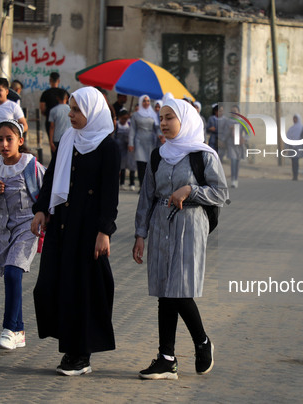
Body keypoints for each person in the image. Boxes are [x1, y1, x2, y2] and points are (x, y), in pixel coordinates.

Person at [133, 98, 228, 380]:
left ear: (184, 120)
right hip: (161, 224)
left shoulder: (203, 155)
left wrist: (190, 189)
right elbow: (146, 196)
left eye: (169, 118)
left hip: (190, 225)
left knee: (180, 290)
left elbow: (221, 193)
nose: (162, 123)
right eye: (161, 118)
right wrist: (140, 234)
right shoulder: (158, 155)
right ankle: (166, 358)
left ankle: (202, 342)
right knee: (165, 292)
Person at [30, 87, 120, 376]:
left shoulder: (107, 146)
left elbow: (110, 194)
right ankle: (71, 347)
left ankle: (81, 354)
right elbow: (52, 177)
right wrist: (42, 209)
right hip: (63, 224)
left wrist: (104, 231)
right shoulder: (69, 139)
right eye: (70, 109)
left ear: (92, 112)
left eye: (77, 110)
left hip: (88, 229)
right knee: (53, 285)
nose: (70, 115)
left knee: (84, 289)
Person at [0, 119, 45, 350]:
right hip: (5, 230)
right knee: (10, 274)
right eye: (0, 139)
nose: (5, 144)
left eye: (9, 139)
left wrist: (45, 218)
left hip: (28, 227)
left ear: (20, 141)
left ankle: (8, 329)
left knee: (13, 272)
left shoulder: (31, 165)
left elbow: (47, 194)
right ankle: (19, 330)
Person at [0, 78, 29, 175]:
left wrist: (15, 136)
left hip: (8, 146)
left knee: (8, 173)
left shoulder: (13, 106)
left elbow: (24, 125)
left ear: (7, 91)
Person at [128, 94, 159, 188]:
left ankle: (148, 186)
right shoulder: (136, 115)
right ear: (141, 102)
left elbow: (157, 128)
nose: (146, 103)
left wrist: (160, 135)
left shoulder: (153, 114)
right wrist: (131, 143)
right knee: (140, 164)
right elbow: (132, 129)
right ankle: (142, 185)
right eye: (144, 101)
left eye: (148, 101)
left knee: (149, 165)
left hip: (150, 141)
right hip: (139, 140)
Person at [115, 108, 136, 191]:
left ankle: (132, 182)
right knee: (121, 166)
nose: (124, 120)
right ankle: (121, 182)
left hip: (127, 147)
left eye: (126, 118)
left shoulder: (129, 124)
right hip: (118, 147)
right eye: (123, 118)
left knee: (130, 165)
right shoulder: (116, 124)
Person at [225, 105, 247, 188]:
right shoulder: (228, 121)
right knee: (233, 161)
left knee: (237, 162)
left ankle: (236, 179)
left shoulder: (243, 122)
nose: (233, 113)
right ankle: (233, 180)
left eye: (235, 111)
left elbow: (248, 133)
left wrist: (244, 139)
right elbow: (225, 134)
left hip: (239, 145)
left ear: (239, 112)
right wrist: (230, 129)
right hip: (231, 144)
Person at [39, 72, 64, 142]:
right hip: (62, 121)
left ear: (50, 80)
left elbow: (42, 109)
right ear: (58, 81)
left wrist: (48, 114)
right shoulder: (63, 93)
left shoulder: (45, 94)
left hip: (50, 121)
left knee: (52, 142)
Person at [48, 89, 70, 159]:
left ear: (57, 98)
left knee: (57, 160)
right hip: (69, 138)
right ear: (67, 98)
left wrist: (51, 142)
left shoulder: (53, 110)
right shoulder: (71, 110)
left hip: (57, 139)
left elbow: (52, 127)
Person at [285, 114, 303, 181]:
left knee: (296, 160)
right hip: (291, 146)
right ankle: (294, 175)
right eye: (294, 118)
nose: (294, 120)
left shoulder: (302, 128)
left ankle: (296, 175)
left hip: (298, 146)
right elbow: (287, 138)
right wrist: (286, 148)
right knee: (293, 161)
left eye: (296, 118)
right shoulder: (291, 128)